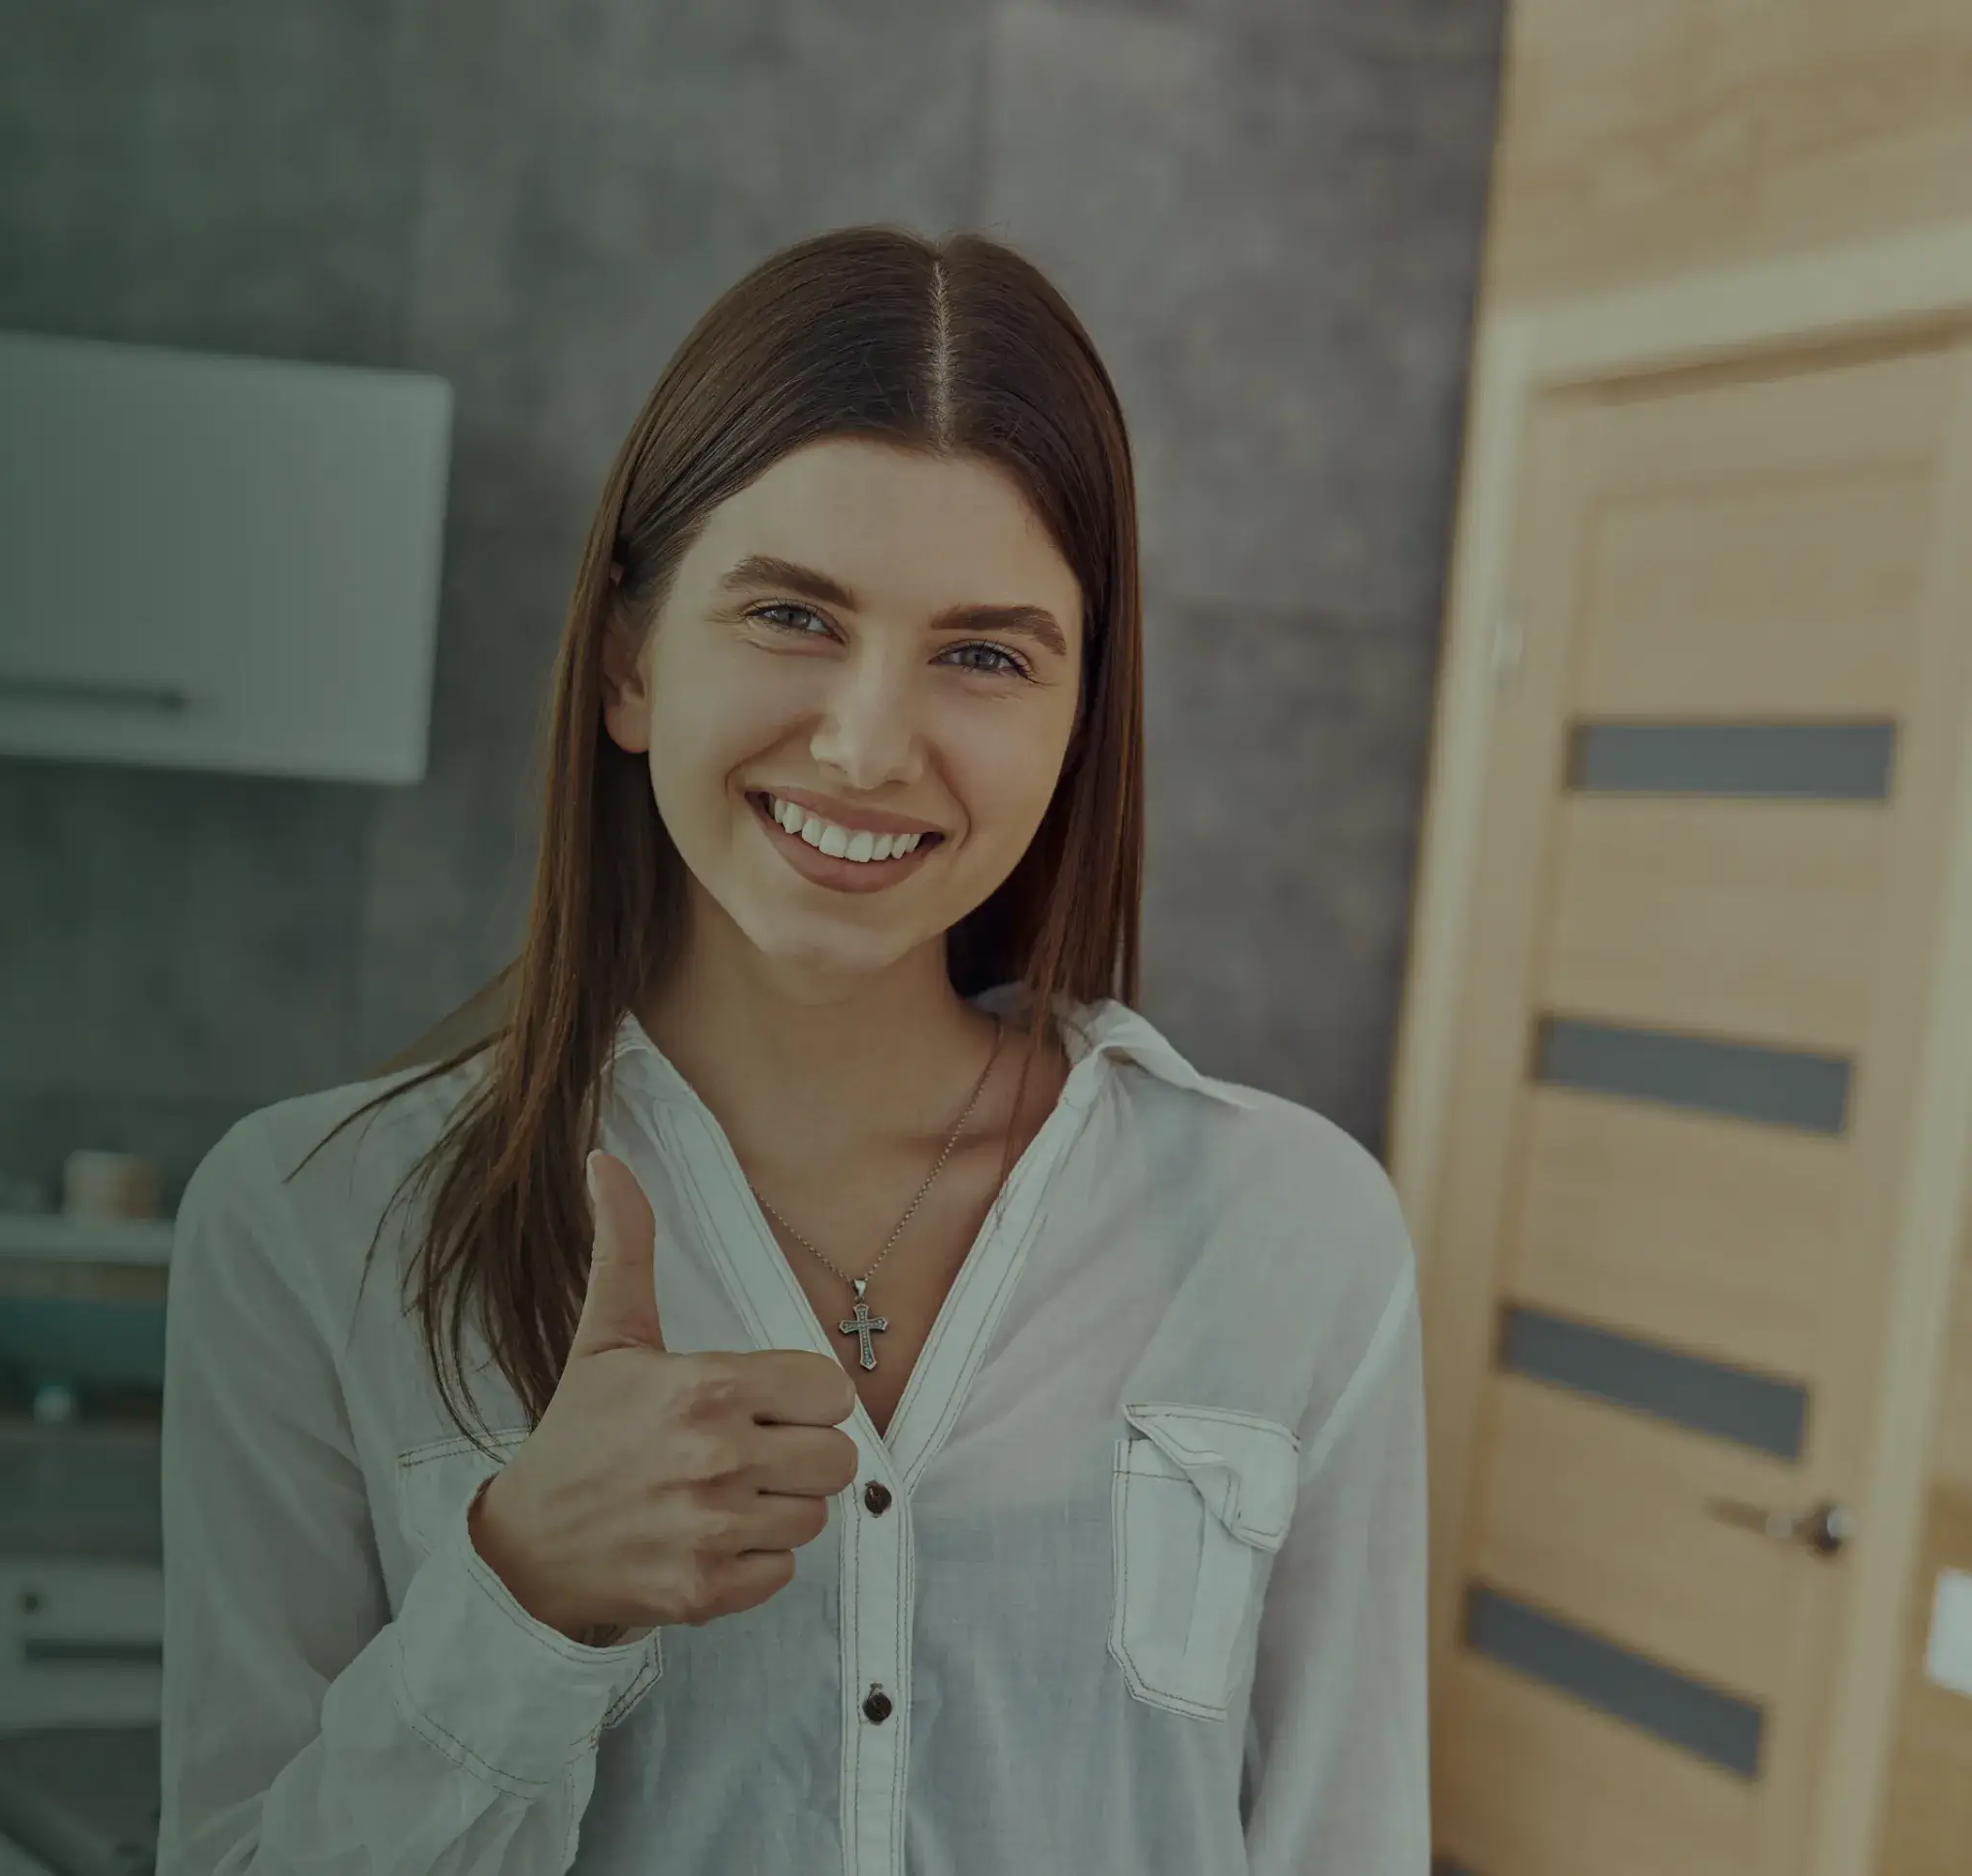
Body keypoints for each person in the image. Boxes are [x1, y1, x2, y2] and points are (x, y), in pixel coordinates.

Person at [159, 227, 1426, 1874]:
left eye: (983, 653)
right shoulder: (317, 1225)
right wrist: (523, 1598)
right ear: (629, 665)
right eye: (791, 616)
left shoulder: (1291, 1236)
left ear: (1075, 717)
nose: (870, 743)